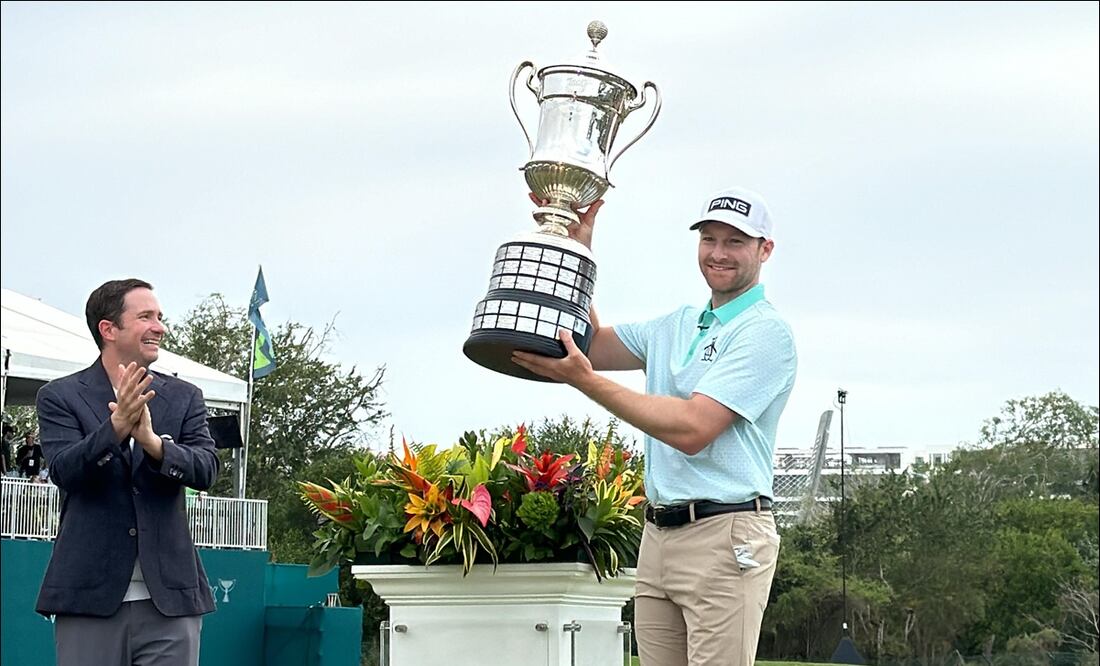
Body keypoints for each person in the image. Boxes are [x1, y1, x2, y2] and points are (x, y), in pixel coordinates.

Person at [513, 187, 797, 666]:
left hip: (725, 535)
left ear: (764, 250)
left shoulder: (765, 332)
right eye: (709, 239)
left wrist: (585, 383)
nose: (719, 253)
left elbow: (693, 430)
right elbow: (590, 346)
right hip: (659, 536)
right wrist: (578, 252)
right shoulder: (676, 325)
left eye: (736, 242)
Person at [35, 278, 219, 666]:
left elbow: (206, 468)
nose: (159, 327)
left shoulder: (185, 397)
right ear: (109, 329)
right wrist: (115, 429)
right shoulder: (60, 396)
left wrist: (154, 444)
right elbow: (65, 470)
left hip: (171, 602)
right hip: (88, 599)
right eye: (146, 316)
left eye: (160, 317)